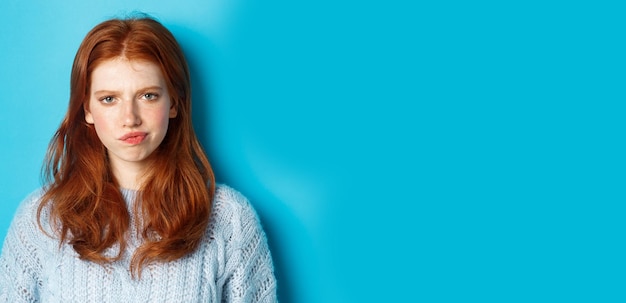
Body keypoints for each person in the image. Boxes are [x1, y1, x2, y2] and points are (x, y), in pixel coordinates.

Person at [0, 15, 277, 302]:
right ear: (87, 110)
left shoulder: (228, 218)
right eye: (109, 99)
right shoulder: (41, 220)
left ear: (174, 102)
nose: (130, 118)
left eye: (148, 95)